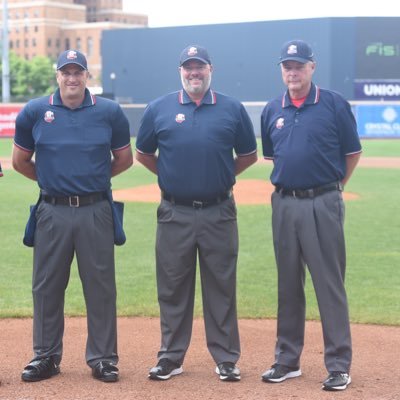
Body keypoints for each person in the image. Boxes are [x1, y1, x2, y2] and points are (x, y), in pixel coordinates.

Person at [135, 45, 257, 382]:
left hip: (219, 211)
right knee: (172, 287)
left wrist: (221, 174)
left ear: (210, 70)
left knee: (221, 285)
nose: (194, 73)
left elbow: (248, 155)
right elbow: (144, 154)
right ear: (180, 72)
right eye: (188, 68)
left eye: (199, 67)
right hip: (175, 212)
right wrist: (172, 175)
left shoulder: (232, 109)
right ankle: (171, 357)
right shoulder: (159, 108)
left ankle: (226, 358)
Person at [12, 49, 133, 383]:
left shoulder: (109, 112)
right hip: (51, 211)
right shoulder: (35, 111)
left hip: (96, 210)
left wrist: (91, 180)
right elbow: (20, 161)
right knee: (47, 287)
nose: (72, 78)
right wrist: (54, 180)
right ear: (57, 76)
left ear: (86, 76)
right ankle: (46, 356)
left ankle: (103, 358)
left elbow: (124, 159)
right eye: (65, 72)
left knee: (101, 288)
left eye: (77, 72)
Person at [260, 39, 362, 391]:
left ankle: (338, 365)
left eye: (299, 65)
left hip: (322, 202)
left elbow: (352, 153)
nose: (293, 71)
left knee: (328, 285)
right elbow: (274, 157)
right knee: (288, 285)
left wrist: (332, 189)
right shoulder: (272, 109)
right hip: (284, 203)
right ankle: (287, 361)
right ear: (282, 70)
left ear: (312, 67)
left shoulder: (333, 104)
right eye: (287, 66)